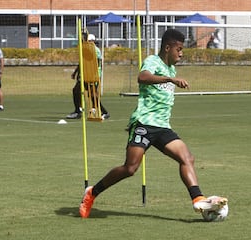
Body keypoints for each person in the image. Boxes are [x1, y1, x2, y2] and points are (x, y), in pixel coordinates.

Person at [79, 29, 227, 218]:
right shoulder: (153, 61)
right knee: (130, 168)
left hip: (163, 127)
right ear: (167, 47)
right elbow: (142, 77)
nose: (181, 53)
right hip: (144, 123)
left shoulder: (171, 68)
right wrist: (170, 79)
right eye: (179, 49)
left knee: (187, 158)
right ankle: (92, 193)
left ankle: (198, 199)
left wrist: (171, 76)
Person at [66, 34, 110, 119]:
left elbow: (97, 63)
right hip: (84, 74)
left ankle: (104, 112)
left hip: (93, 75)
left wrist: (92, 74)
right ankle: (77, 111)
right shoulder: (85, 50)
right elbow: (82, 62)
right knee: (76, 90)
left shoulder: (95, 50)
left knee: (92, 95)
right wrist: (75, 73)